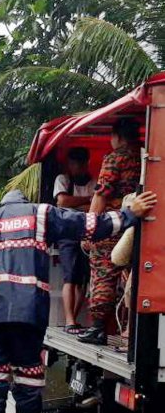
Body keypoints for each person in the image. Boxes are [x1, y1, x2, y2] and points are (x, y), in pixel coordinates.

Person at [0, 189, 156, 413]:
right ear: (24, 203)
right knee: (29, 368)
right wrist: (130, 214)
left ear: (2, 204)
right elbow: (92, 226)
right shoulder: (41, 213)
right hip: (28, 308)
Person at [79, 119, 143, 345]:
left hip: (114, 224)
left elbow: (101, 194)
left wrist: (91, 230)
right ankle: (132, 328)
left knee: (104, 272)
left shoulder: (115, 158)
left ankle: (98, 328)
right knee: (135, 277)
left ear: (117, 136)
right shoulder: (146, 156)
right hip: (142, 224)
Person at [53, 147, 95, 335]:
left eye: (80, 162)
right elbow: (62, 202)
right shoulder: (63, 180)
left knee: (83, 279)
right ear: (69, 164)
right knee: (70, 276)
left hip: (89, 231)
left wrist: (75, 202)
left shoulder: (93, 181)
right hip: (68, 232)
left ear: (86, 163)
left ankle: (75, 320)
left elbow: (98, 205)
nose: (77, 166)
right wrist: (88, 200)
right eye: (73, 163)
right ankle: (70, 321)